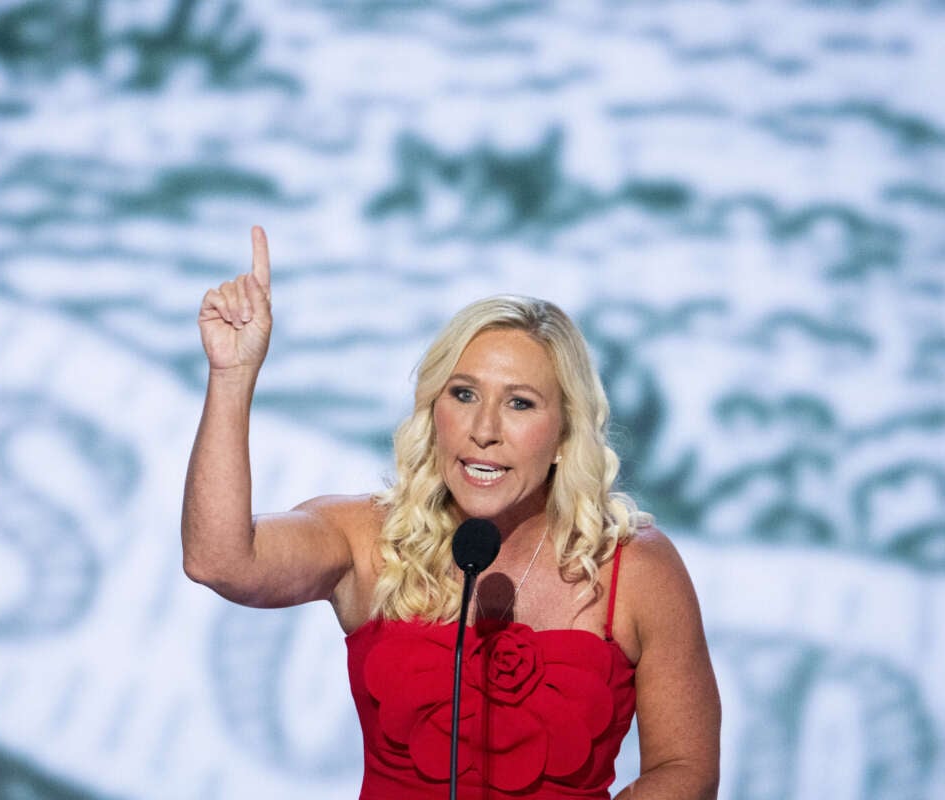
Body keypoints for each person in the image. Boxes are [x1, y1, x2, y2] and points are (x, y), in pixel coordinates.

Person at [182, 226, 721, 799]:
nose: (483, 430)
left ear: (565, 434)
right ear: (432, 409)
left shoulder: (635, 569)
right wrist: (232, 376)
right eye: (463, 394)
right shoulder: (367, 537)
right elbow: (220, 560)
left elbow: (686, 769)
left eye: (520, 403)